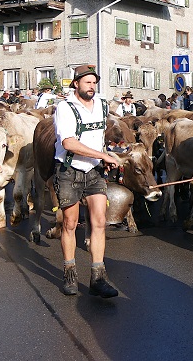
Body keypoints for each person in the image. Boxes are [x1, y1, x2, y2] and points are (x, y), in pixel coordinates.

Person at [53, 64, 119, 297]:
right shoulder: (65, 107)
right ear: (76, 84)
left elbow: (99, 135)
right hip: (69, 169)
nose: (92, 86)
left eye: (94, 82)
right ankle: (70, 272)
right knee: (70, 223)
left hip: (93, 171)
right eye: (87, 82)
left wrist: (107, 154)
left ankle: (98, 278)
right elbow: (69, 143)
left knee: (99, 221)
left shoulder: (101, 104)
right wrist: (103, 155)